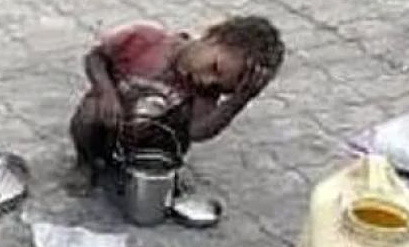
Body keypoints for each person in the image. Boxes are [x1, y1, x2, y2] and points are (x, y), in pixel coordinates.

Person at [70, 16, 285, 177]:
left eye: (219, 86)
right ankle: (86, 163)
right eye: (215, 68)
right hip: (109, 123)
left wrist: (239, 100)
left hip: (151, 147)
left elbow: (197, 131)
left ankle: (147, 173)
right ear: (212, 36)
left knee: (172, 140)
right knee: (89, 112)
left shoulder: (204, 90)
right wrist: (106, 92)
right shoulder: (146, 38)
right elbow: (94, 58)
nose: (207, 81)